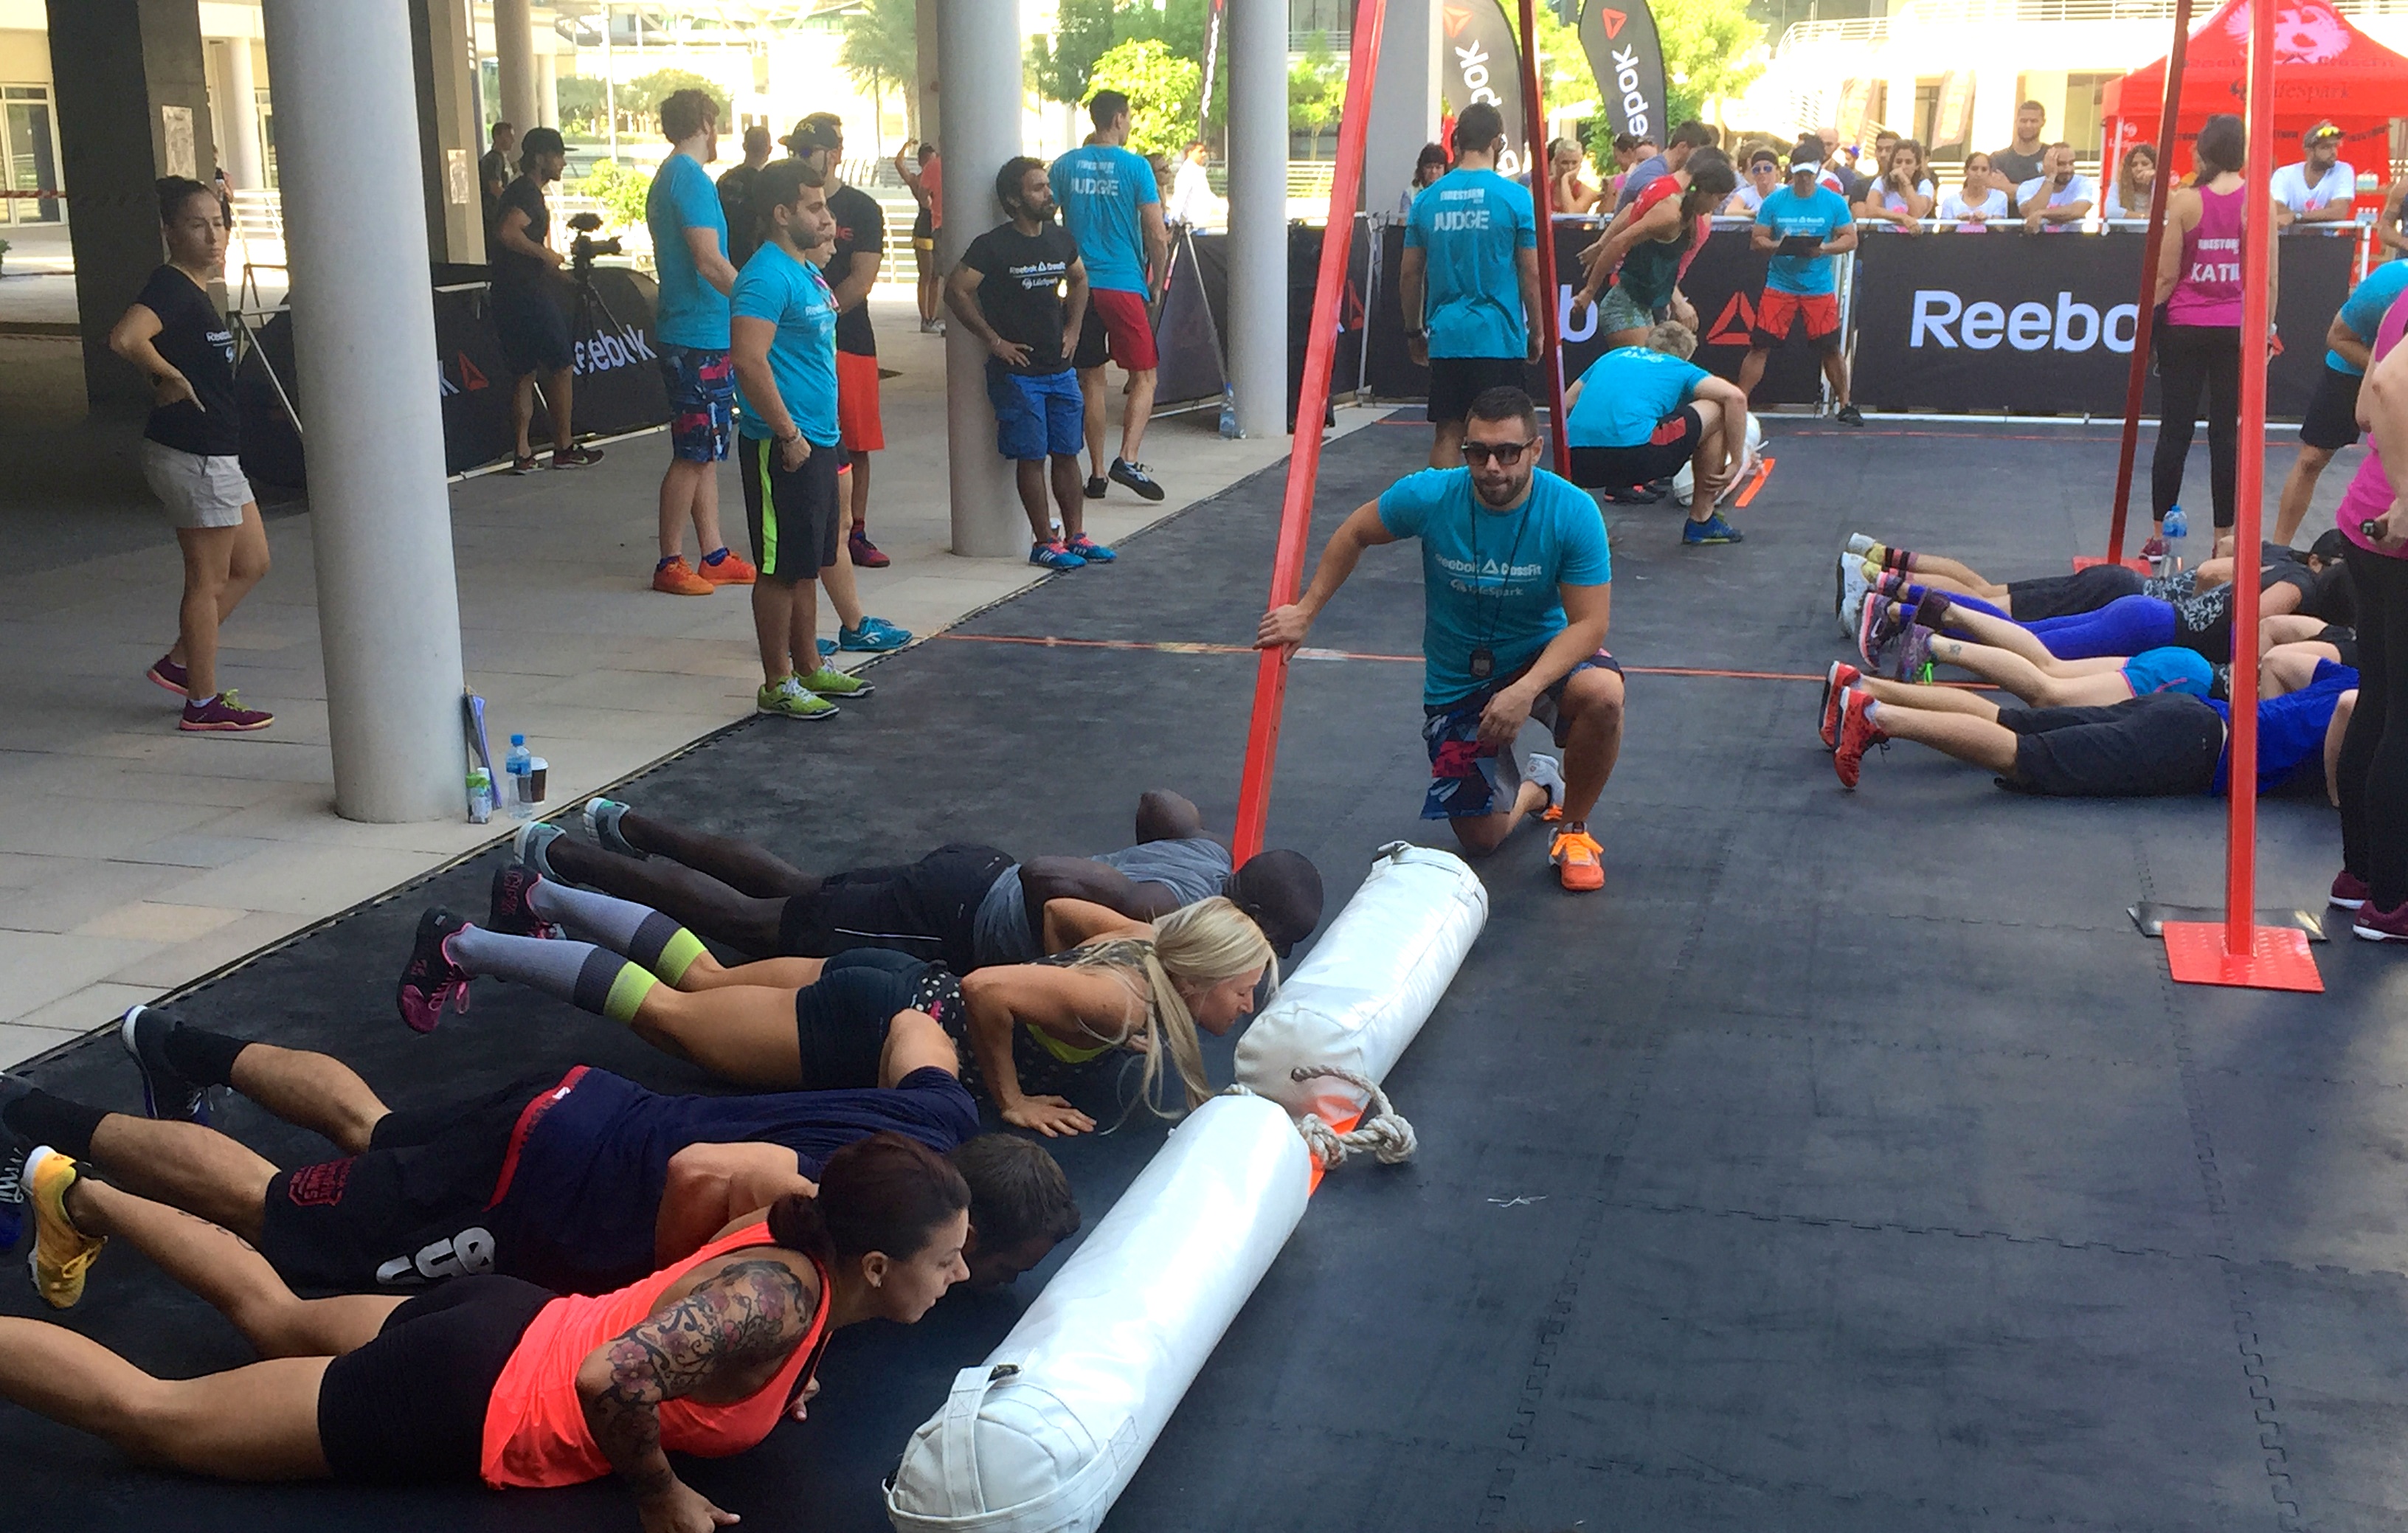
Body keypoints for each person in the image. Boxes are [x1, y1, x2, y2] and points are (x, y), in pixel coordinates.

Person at [0, 1129, 973, 1528]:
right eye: (946, 1260)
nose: (962, 1274)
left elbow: (704, 1305)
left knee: (277, 1314)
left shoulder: (803, 1231)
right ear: (874, 1265)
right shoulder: (779, 1301)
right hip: (467, 1392)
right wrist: (662, 1493)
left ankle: (77, 1195)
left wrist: (784, 1371)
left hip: (509, 1316)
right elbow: (612, 1376)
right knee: (150, 1415)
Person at [0, 997, 1073, 1298]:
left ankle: (171, 1041)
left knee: (375, 1129)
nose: (974, 1280)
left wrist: (1006, 1090)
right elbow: (712, 1176)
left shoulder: (942, 1116)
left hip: (584, 1100)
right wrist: (659, 1300)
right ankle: (27, 1113)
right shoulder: (849, 1212)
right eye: (986, 1265)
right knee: (276, 1210)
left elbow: (915, 1021)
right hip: (542, 1181)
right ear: (966, 1226)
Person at [398, 882, 1274, 1138]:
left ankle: (538, 892)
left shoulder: (1143, 945)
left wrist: (1046, 983)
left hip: (892, 982)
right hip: (871, 1022)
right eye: (1244, 988)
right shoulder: (1117, 999)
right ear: (1200, 976)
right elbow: (989, 989)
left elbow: (1063, 914)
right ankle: (462, 944)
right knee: (668, 1012)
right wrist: (1008, 1095)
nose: (1247, 1004)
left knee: (702, 977)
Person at [1257, 387, 1624, 890]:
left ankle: (1574, 830)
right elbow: (1355, 532)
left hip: (1539, 659)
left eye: (1507, 453)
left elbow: (1590, 624)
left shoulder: (1572, 511)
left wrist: (1525, 689)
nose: (1491, 467)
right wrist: (1305, 610)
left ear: (1535, 450)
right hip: (1459, 681)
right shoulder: (1430, 495)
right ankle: (1540, 787)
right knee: (1482, 839)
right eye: (1478, 452)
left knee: (1604, 695)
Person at [512, 786, 1326, 971]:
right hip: (954, 916)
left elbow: (1158, 804)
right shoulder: (1169, 909)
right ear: (1253, 916)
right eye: (1275, 943)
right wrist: (1057, 957)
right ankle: (562, 858)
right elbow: (1046, 875)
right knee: (755, 928)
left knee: (797, 888)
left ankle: (622, 823)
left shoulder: (1208, 857)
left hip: (969, 874)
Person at [109, 177, 272, 733]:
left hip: (217, 453)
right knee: (207, 580)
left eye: (219, 223)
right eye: (197, 225)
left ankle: (180, 662)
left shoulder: (194, 291)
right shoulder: (171, 287)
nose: (213, 236)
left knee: (253, 562)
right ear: (169, 232)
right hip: (193, 453)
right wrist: (168, 376)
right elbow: (126, 338)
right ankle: (201, 701)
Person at [727, 158, 877, 722]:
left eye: (825, 206)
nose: (827, 217)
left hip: (818, 437)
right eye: (814, 208)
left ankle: (810, 665)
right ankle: (777, 682)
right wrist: (786, 432)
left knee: (808, 561)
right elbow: (748, 360)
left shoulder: (805, 270)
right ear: (781, 213)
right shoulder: (765, 276)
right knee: (780, 567)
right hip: (783, 443)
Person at [1827, 657, 2357, 797]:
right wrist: (2339, 794)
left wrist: (2267, 725)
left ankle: (1863, 686)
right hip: (2192, 746)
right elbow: (2348, 709)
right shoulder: (2373, 697)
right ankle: (1875, 716)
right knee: (2024, 755)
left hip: (2192, 713)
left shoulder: (2356, 673)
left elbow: (2281, 661)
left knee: (2012, 719)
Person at [949, 156, 1120, 570]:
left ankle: (1076, 536)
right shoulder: (992, 246)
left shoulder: (1060, 238)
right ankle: (1044, 541)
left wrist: (1073, 329)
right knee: (1032, 456)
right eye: (1038, 188)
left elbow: (1080, 279)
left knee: (1068, 451)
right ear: (1014, 199)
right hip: (1018, 374)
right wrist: (994, 341)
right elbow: (955, 290)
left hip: (1059, 369)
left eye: (1047, 186)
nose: (1048, 194)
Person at [644, 88, 759, 597]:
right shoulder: (689, 178)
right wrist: (756, 302)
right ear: (706, 123)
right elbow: (709, 259)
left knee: (705, 446)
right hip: (697, 333)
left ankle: (712, 553)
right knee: (693, 450)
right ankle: (670, 559)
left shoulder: (674, 175)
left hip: (695, 329)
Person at [789, 114, 904, 585]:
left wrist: (820, 315)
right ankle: (809, 526)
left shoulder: (861, 207)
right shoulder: (786, 204)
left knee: (855, 441)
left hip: (848, 338)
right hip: (796, 340)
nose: (799, 158)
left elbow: (863, 278)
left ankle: (855, 530)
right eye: (795, 150)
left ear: (834, 154)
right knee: (799, 435)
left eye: (808, 151)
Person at [2329, 260, 2408, 937]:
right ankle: (2393, 898)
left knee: (2380, 699)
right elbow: (2385, 384)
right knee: (2400, 715)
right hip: (2397, 530)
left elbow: (2363, 408)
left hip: (2364, 524)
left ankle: (2361, 877)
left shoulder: (2402, 297)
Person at [1402, 103, 1543, 471]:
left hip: (1449, 334)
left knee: (1449, 431)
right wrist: (1537, 331)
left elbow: (1410, 274)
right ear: (1498, 142)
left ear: (1457, 141)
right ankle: (1503, 501)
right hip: (1499, 336)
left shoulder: (1427, 199)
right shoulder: (1515, 197)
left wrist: (1414, 332)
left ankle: (1442, 504)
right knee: (1506, 433)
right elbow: (1530, 273)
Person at [2151, 113, 2264, 561]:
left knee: (2175, 430)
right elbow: (2268, 278)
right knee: (2225, 435)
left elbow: (2166, 276)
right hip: (2233, 327)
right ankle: (2224, 538)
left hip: (2186, 325)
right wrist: (2266, 331)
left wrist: (2152, 327)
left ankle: (2159, 535)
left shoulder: (2186, 201)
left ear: (2205, 151)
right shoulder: (2257, 202)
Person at [1051, 91, 1172, 504]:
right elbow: (1156, 233)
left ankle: (1098, 473)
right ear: (1119, 118)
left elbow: (1044, 219)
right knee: (1145, 376)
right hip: (1123, 283)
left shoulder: (1064, 166)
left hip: (1080, 284)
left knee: (1091, 380)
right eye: (1130, 117)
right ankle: (1129, 458)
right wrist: (1156, 282)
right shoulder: (1136, 167)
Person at [1563, 321, 1752, 545]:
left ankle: (1581, 526)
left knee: (1588, 427)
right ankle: (1702, 521)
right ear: (1686, 356)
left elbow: (1567, 401)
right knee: (1718, 407)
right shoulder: (1679, 367)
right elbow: (1736, 397)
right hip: (1637, 455)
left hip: (1576, 462)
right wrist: (1736, 461)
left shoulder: (1612, 356)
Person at [488, 128, 602, 477]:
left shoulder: (522, 192)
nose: (563, 163)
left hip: (510, 291)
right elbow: (508, 232)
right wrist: (545, 254)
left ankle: (523, 452)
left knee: (524, 373)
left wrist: (565, 279)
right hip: (526, 294)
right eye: (558, 155)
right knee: (561, 365)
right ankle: (564, 447)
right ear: (540, 158)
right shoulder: (526, 193)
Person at [2274, 256, 2408, 544]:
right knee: (2312, 459)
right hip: (2354, 367)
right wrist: (2380, 369)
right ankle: (2279, 547)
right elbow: (2338, 338)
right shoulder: (2389, 283)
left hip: (2396, 375)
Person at [1743, 139, 1861, 426]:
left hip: (1818, 286)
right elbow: (1757, 240)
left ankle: (1845, 403)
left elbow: (1850, 239)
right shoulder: (1775, 201)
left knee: (1830, 346)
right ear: (1792, 171)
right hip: (1780, 283)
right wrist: (1780, 245)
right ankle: (1739, 400)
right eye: (1799, 174)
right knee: (1760, 345)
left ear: (1818, 171)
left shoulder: (1833, 201)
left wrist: (1824, 249)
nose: (1804, 179)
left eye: (1809, 174)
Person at [1570, 149, 1735, 352]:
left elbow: (1631, 212)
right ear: (1706, 192)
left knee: (1653, 364)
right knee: (1645, 368)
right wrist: (1589, 292)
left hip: (1643, 305)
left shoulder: (1688, 212)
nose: (1716, 207)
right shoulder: (1670, 213)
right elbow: (1619, 242)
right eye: (1719, 199)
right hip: (1625, 306)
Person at [2270, 122, 2358, 232]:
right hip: (2287, 240)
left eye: (2335, 146)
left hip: (2326, 241)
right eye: (2326, 147)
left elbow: (2339, 212)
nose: (2333, 152)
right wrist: (2321, 215)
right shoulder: (2284, 174)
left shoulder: (2343, 170)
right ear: (2309, 152)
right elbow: (2275, 209)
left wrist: (2296, 217)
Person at [1616, 120, 1716, 212]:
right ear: (1683, 147)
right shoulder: (1652, 173)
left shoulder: (1660, 170)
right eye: (1697, 153)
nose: (1700, 159)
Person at [898, 139, 945, 333]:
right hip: (924, 228)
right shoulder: (916, 180)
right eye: (926, 160)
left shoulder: (939, 174)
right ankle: (925, 318)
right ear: (920, 162)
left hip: (937, 227)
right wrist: (906, 146)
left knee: (936, 276)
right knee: (926, 274)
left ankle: (932, 317)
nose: (930, 164)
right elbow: (899, 164)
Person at [716, 122, 775, 269]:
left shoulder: (724, 180)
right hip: (756, 259)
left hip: (725, 254)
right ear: (770, 150)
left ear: (744, 146)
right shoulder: (770, 184)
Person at [1858, 137, 1934, 233]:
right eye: (1898, 162)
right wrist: (1902, 218)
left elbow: (1917, 213)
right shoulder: (1882, 181)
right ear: (1892, 163)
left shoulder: (1925, 185)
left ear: (1917, 165)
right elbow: (1871, 210)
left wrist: (1906, 183)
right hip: (1887, 236)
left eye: (1908, 162)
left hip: (1915, 237)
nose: (1903, 166)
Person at [2017, 142, 2095, 233]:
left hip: (2072, 240)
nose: (2068, 169)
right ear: (2045, 165)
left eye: (2071, 163)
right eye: (2061, 164)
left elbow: (2078, 210)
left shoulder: (2082, 182)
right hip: (2037, 240)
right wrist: (2050, 178)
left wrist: (2042, 213)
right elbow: (2030, 212)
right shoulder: (2028, 186)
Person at [1987, 99, 2050, 202]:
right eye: (2023, 121)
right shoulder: (1998, 159)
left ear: (2043, 122)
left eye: (2033, 121)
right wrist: (2039, 192)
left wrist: (2010, 188)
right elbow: (1994, 193)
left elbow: (2056, 195)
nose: (2028, 125)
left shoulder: (2053, 155)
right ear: (2016, 121)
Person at [1938, 152, 2011, 232]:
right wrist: (1957, 221)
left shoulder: (1999, 198)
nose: (1979, 174)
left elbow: (2000, 230)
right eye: (1974, 169)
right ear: (1966, 171)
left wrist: (1986, 220)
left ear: (1990, 173)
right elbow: (1943, 232)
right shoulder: (1950, 201)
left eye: (1984, 170)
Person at [1167, 139, 1225, 229]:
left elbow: (1207, 194)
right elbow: (1180, 198)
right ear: (1189, 153)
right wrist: (1174, 223)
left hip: (1201, 224)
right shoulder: (1187, 172)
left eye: (1204, 151)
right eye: (1200, 151)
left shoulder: (1197, 171)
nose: (1204, 154)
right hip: (1192, 226)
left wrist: (1224, 209)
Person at [477, 120, 515, 236]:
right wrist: (512, 204)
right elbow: (495, 188)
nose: (512, 140)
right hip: (494, 214)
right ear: (497, 137)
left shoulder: (503, 159)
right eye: (508, 136)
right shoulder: (493, 159)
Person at [2103, 142, 2158, 221]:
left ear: (2155, 166)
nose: (2139, 169)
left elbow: (2171, 210)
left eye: (2145, 164)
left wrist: (2158, 179)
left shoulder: (2159, 187)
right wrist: (2145, 217)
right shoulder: (2118, 187)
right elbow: (2111, 212)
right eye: (2134, 165)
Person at [1547, 137, 1601, 215]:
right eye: (1565, 163)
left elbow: (1571, 214)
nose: (1570, 168)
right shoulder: (1542, 185)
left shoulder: (1586, 192)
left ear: (1580, 163)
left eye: (1574, 163)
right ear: (1556, 162)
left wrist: (1565, 180)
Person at [1400, 141, 1450, 218]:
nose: (1434, 171)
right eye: (1429, 167)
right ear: (1422, 168)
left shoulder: (1451, 192)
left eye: (1438, 167)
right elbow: (1403, 222)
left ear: (1445, 169)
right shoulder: (1410, 193)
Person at [1726, 148, 1780, 215]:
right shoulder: (1746, 193)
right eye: (1757, 169)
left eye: (1767, 168)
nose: (1762, 172)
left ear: (1777, 170)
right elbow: (1728, 212)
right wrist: (1755, 213)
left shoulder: (1785, 191)